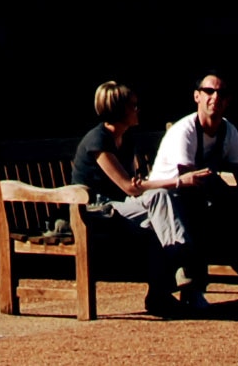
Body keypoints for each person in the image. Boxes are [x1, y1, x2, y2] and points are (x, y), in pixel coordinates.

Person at [146, 72, 238, 314]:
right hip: (169, 198)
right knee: (203, 215)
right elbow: (191, 179)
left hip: (206, 194)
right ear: (197, 96)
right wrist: (233, 200)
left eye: (221, 93)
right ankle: (192, 291)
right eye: (209, 91)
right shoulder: (184, 131)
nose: (215, 97)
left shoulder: (229, 131)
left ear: (228, 100)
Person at [70, 81, 179, 313]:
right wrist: (178, 181)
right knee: (159, 207)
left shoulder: (126, 138)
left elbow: (133, 184)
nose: (138, 110)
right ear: (119, 110)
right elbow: (127, 186)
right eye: (133, 106)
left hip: (120, 206)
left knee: (160, 209)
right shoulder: (97, 140)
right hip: (95, 211)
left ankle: (163, 288)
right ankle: (179, 265)